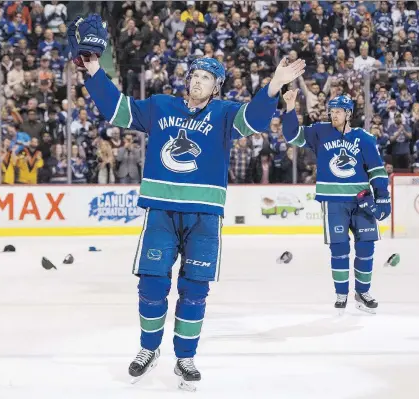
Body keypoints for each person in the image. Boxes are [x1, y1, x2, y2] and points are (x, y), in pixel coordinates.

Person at [68, 14, 305, 391]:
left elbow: (257, 119)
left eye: (206, 77)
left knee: (195, 287)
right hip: (161, 210)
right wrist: (94, 68)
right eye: (194, 75)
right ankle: (148, 349)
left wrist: (274, 84)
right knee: (151, 283)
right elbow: (116, 110)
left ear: (217, 87)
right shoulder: (160, 106)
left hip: (204, 216)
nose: (197, 80)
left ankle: (185, 357)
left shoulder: (225, 114)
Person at [282, 91, 391, 315]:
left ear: (348, 113)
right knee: (339, 249)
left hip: (362, 202)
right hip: (333, 203)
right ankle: (341, 294)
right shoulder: (319, 132)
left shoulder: (364, 138)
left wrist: (382, 197)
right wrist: (291, 107)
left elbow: (377, 171)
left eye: (338, 111)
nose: (334, 115)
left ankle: (362, 292)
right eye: (331, 111)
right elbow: (292, 134)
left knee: (366, 247)